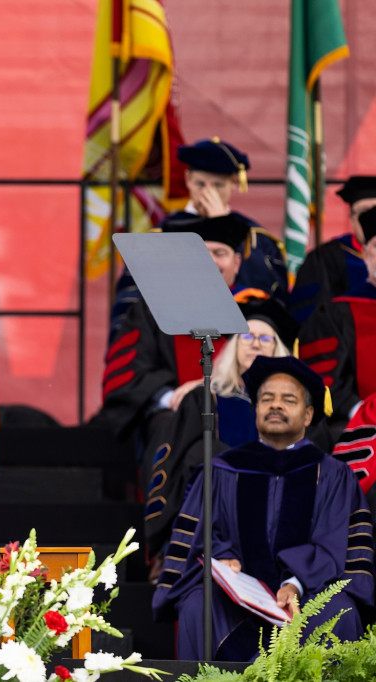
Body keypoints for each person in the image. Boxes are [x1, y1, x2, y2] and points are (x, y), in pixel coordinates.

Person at [152, 356, 374, 661]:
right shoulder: (222, 469)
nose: (275, 405)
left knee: (341, 610)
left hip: (308, 592)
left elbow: (335, 542)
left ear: (308, 414)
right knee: (197, 605)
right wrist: (222, 556)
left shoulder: (333, 474)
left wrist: (294, 584)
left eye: (289, 399)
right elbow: (200, 534)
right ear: (255, 409)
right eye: (267, 399)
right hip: (235, 596)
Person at [143, 297, 295, 562]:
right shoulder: (207, 399)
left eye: (266, 338)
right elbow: (181, 463)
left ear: (277, 350)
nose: (256, 343)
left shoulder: (292, 409)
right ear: (234, 347)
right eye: (247, 335)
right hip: (212, 521)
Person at [99, 213, 267, 444]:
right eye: (202, 254)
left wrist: (215, 391)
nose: (211, 262)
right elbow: (128, 373)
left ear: (236, 263)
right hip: (173, 419)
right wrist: (170, 398)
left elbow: (277, 369)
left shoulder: (260, 308)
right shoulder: (152, 310)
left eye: (220, 254)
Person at [109, 138, 288, 341]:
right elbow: (129, 310)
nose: (208, 194)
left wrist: (223, 225)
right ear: (187, 179)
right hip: (168, 353)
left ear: (234, 184)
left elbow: (269, 308)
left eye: (218, 186)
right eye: (200, 184)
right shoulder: (158, 237)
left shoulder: (256, 240)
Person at [297, 207, 376, 435]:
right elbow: (323, 379)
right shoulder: (335, 313)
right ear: (366, 254)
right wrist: (361, 411)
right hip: (359, 431)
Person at [289, 176, 376, 324]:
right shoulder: (324, 258)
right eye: (363, 212)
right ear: (352, 220)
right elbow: (310, 314)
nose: (371, 217)